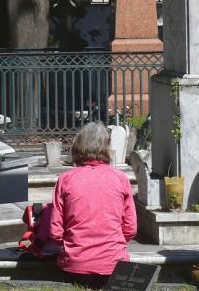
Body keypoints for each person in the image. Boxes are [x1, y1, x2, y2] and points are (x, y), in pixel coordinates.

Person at [50, 122, 137, 288]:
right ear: (106, 147)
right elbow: (130, 228)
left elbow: (55, 232)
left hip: (75, 265)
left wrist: (75, 245)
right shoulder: (120, 178)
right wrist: (111, 244)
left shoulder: (66, 179)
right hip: (114, 265)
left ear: (78, 146)